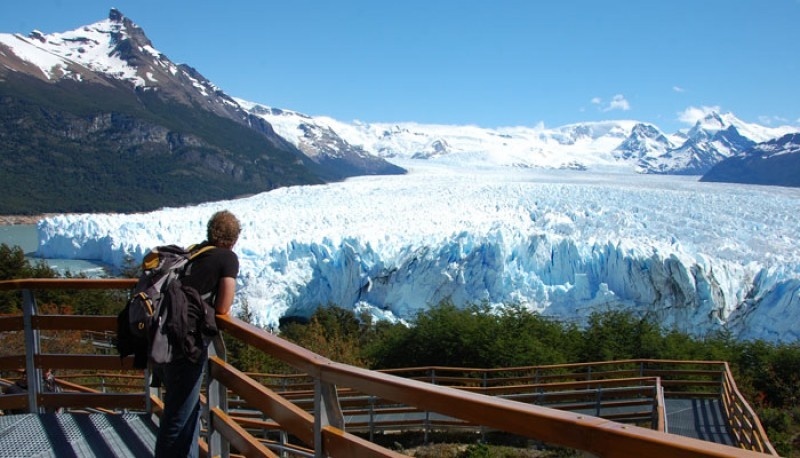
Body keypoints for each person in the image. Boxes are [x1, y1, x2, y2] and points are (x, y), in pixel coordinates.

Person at [153, 210, 240, 458]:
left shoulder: (196, 252)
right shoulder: (227, 258)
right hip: (186, 345)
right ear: (234, 238)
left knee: (188, 411)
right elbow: (223, 305)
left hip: (165, 337)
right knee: (177, 418)